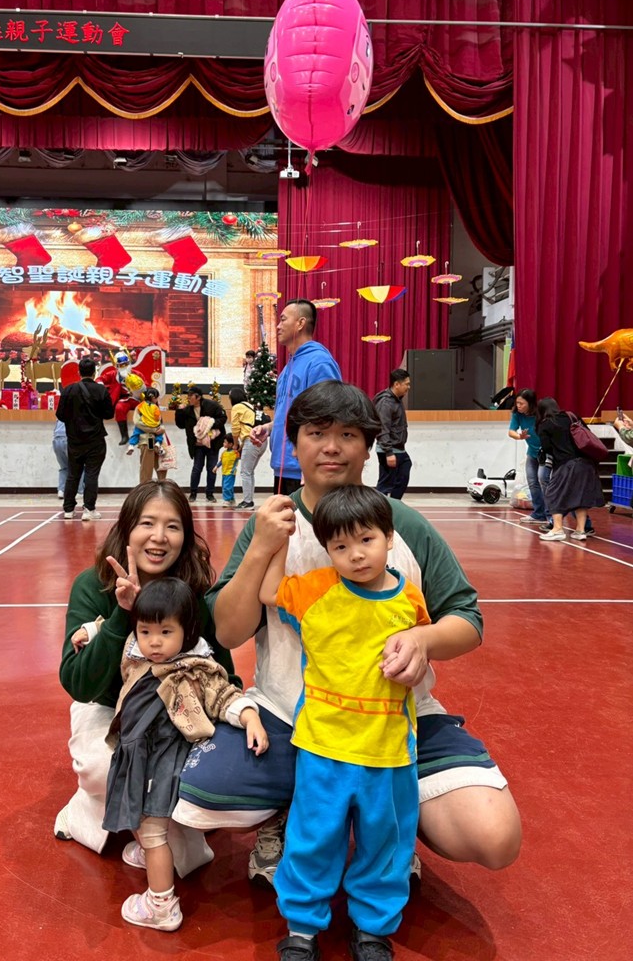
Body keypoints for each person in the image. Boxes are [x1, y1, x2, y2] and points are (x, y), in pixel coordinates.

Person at [173, 381, 520, 890]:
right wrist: (260, 549)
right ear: (294, 445)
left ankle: (388, 822)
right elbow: (228, 630)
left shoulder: (403, 525)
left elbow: (466, 619)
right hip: (292, 714)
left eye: (348, 435)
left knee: (493, 835)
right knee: (202, 793)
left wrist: (423, 642)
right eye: (316, 433)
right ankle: (292, 811)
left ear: (368, 446)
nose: (331, 447)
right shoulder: (272, 525)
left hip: (395, 716)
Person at [259, 485, 430, 961]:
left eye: (366, 540)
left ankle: (373, 929)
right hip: (323, 748)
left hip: (389, 751)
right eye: (340, 546)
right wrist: (276, 542)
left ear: (389, 538)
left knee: (386, 844)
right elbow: (269, 592)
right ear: (327, 550)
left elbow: (421, 649)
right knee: (312, 839)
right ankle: (301, 929)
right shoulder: (316, 590)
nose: (355, 554)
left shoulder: (410, 600)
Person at [54, 480, 238, 878]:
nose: (159, 537)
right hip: (112, 710)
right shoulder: (92, 586)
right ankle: (88, 807)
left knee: (198, 798)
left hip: (178, 712)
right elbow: (79, 685)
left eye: (172, 526)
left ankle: (157, 820)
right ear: (126, 529)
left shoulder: (193, 592)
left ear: (185, 537)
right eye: (147, 523)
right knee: (107, 766)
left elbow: (223, 671)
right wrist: (122, 614)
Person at [71, 577, 268, 932]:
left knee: (152, 832)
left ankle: (161, 905)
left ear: (187, 632)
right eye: (146, 631)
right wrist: (90, 631)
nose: (154, 642)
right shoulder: (138, 650)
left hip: (160, 764)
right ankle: (153, 853)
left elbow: (223, 695)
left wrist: (250, 716)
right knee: (137, 817)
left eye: (165, 632)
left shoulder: (194, 670)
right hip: (137, 755)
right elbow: (118, 631)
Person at [250, 299, 341, 495]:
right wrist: (269, 427)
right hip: (283, 467)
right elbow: (291, 413)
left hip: (305, 470)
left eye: (283, 319)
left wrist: (315, 463)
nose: (278, 326)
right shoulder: (287, 368)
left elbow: (329, 416)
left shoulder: (319, 362)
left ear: (300, 323)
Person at [535, 397, 605, 541]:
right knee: (580, 497)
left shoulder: (545, 424)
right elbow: (587, 433)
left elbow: (547, 448)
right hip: (586, 463)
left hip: (566, 464)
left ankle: (557, 529)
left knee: (553, 494)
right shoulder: (572, 416)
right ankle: (580, 531)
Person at [56, 356, 114, 521]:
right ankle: (89, 509)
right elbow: (109, 414)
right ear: (95, 372)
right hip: (95, 440)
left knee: (73, 474)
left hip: (74, 440)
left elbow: (60, 415)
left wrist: (74, 421)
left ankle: (68, 509)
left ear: (78, 372)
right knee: (91, 474)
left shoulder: (68, 390)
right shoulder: (101, 390)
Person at [174, 386, 227, 503]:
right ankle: (193, 493)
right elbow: (180, 425)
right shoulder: (187, 410)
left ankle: (210, 494)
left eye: (190, 396)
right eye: (188, 396)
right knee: (197, 468)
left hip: (213, 443)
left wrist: (209, 424)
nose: (188, 398)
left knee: (211, 468)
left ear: (198, 397)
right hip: (197, 445)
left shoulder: (212, 405)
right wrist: (179, 411)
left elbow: (223, 418)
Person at [507, 388, 549, 524]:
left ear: (530, 403)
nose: (518, 406)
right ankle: (538, 513)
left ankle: (551, 515)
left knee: (544, 481)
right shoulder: (517, 414)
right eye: (517, 403)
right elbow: (511, 431)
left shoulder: (541, 413)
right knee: (532, 482)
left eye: (522, 403)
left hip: (545, 453)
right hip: (532, 453)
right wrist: (520, 436)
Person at [373, 368, 412, 499]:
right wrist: (389, 453)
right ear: (396, 384)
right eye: (406, 384)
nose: (408, 387)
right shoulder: (386, 402)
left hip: (398, 448)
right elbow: (382, 428)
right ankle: (377, 508)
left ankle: (394, 504)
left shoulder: (396, 400)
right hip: (389, 449)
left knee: (404, 470)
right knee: (385, 484)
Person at [126, 388, 168, 484]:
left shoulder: (154, 407)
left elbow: (159, 422)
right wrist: (155, 430)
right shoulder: (140, 407)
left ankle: (162, 486)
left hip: (156, 440)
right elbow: (138, 423)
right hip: (148, 440)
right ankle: (145, 487)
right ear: (153, 397)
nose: (157, 400)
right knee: (147, 466)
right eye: (157, 397)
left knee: (161, 466)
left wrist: (162, 429)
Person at [52, 419, 85, 500]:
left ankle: (61, 490)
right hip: (68, 438)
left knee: (64, 467)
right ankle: (79, 491)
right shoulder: (77, 412)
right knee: (79, 466)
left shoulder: (61, 413)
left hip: (56, 440)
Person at [214, 433, 239, 507]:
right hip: (224, 473)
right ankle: (232, 499)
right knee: (227, 487)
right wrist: (216, 466)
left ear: (231, 444)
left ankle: (227, 500)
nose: (223, 443)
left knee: (226, 487)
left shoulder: (235, 453)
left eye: (225, 442)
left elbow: (239, 457)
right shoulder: (224, 453)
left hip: (230, 473)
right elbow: (221, 461)